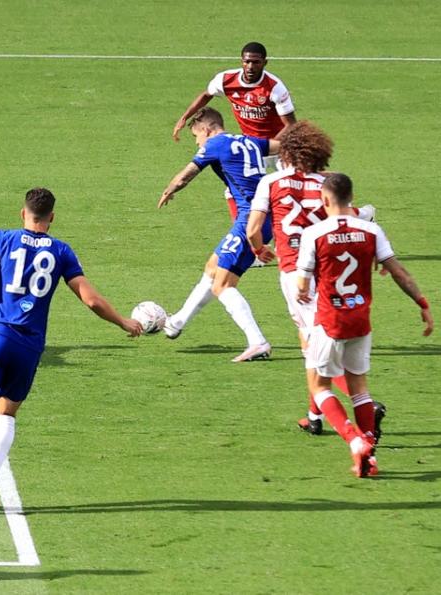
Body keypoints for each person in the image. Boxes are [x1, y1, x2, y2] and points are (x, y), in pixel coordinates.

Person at [0, 188, 142, 516]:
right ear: (52, 218)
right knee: (7, 415)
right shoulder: (62, 251)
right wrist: (124, 322)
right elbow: (91, 300)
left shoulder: (4, 238)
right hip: (28, 345)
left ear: (22, 213)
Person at [296, 173, 433, 477]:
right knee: (359, 387)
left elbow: (302, 284)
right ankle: (370, 456)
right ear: (351, 198)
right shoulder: (371, 230)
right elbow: (398, 272)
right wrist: (422, 303)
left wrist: (302, 289)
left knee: (318, 385)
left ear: (325, 200)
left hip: (330, 320)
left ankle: (355, 440)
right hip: (361, 321)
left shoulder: (314, 233)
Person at [246, 122, 378, 435]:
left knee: (313, 346)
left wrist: (259, 249)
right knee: (317, 343)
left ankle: (360, 409)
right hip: (327, 273)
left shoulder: (272, 182)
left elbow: (253, 229)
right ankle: (314, 416)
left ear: (287, 151)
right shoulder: (326, 184)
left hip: (295, 275)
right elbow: (354, 217)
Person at [157, 107, 278, 362]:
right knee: (213, 267)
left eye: (196, 136)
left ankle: (257, 341)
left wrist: (170, 189)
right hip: (265, 214)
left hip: (251, 219)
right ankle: (176, 322)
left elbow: (187, 174)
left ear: (207, 129)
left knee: (223, 284)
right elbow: (280, 145)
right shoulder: (250, 141)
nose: (198, 142)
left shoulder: (215, 144)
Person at [172, 41, 297, 233]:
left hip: (279, 146)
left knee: (292, 190)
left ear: (265, 62)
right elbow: (206, 95)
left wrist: (265, 146)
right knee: (233, 190)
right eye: (247, 62)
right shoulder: (226, 80)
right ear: (241, 61)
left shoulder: (274, 87)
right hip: (251, 148)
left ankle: (295, 237)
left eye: (256, 62)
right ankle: (248, 238)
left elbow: (291, 125)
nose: (250, 67)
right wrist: (184, 117)